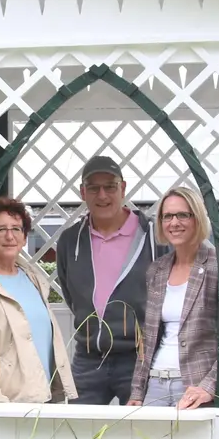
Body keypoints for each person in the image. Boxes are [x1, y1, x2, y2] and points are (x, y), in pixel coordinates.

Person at [54, 156, 166, 405]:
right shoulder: (70, 240)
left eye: (110, 186)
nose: (102, 195)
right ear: (83, 192)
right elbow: (72, 295)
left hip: (139, 358)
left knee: (144, 435)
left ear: (123, 188)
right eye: (93, 188)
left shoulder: (152, 237)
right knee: (78, 433)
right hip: (88, 358)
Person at [126, 186, 219, 409]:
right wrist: (137, 390)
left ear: (197, 218)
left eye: (183, 215)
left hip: (196, 388)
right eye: (167, 216)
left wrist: (209, 387)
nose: (174, 223)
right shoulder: (157, 270)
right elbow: (148, 337)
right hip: (155, 385)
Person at [0, 197, 77, 403]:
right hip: (8, 402)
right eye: (0, 229)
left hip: (45, 395)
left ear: (24, 238)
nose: (9, 236)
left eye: (16, 229)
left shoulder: (33, 278)